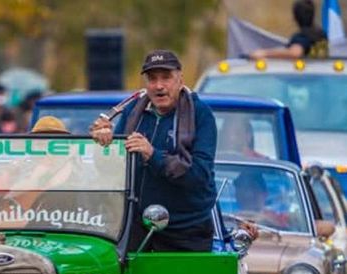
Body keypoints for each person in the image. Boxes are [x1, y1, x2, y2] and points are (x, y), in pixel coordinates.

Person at [90, 49, 218, 252]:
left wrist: (152, 154)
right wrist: (104, 145)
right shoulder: (133, 112)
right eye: (152, 79)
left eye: (166, 78)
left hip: (186, 231)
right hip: (136, 225)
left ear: (180, 79)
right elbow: (112, 172)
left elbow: (199, 175)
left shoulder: (201, 115)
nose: (159, 86)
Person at [249, 0, 328, 60]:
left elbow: (295, 53)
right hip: (320, 78)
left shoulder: (301, 37)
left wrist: (265, 53)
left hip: (304, 79)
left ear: (295, 18)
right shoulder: (322, 34)